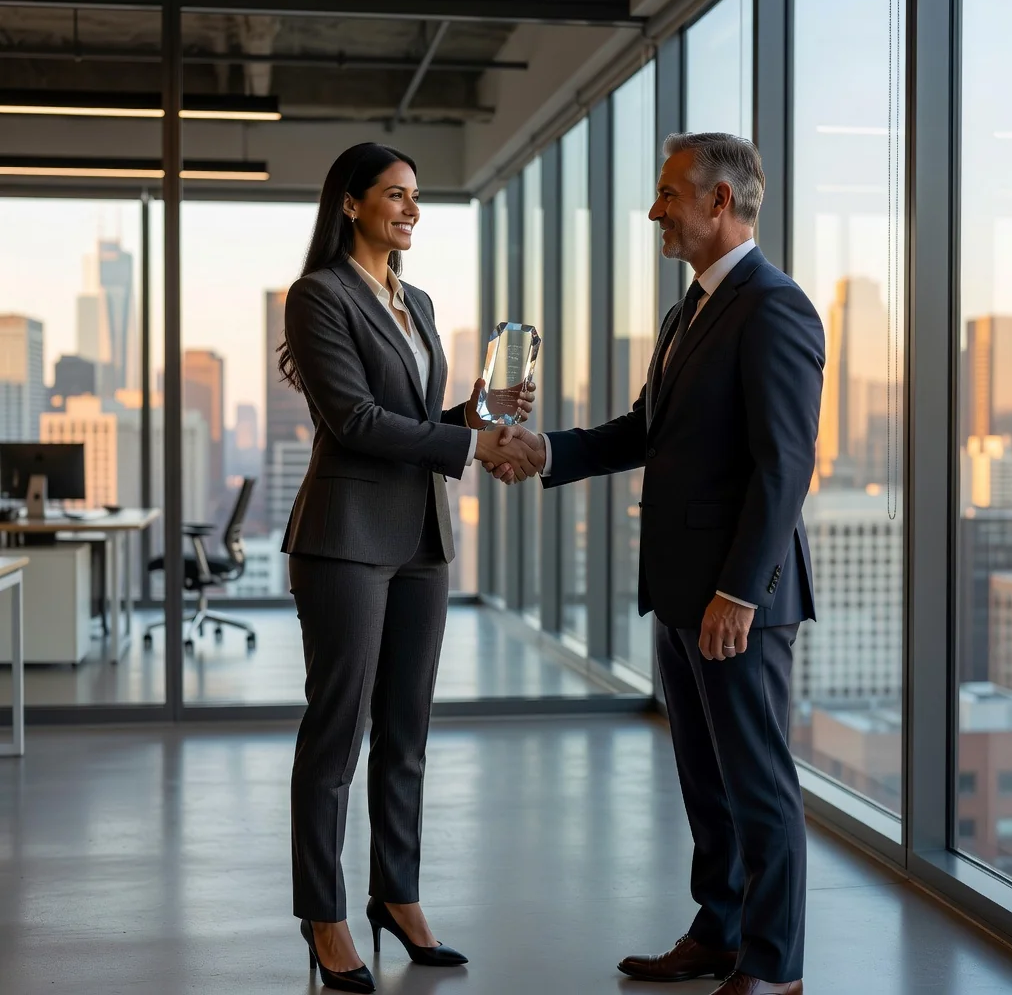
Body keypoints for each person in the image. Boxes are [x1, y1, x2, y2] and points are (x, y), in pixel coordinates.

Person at [493, 132, 824, 994]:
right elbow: (647, 431)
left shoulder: (775, 306)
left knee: (759, 786)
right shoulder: (691, 311)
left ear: (720, 201)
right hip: (681, 591)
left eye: (670, 194)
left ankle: (776, 965)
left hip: (734, 599)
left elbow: (785, 466)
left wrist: (738, 594)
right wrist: (547, 450)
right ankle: (718, 932)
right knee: (707, 785)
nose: (654, 211)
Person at [280, 142, 539, 992]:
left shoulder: (415, 299)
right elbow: (354, 419)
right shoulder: (318, 296)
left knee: (408, 732)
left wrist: (476, 411)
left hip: (422, 538)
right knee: (337, 735)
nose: (411, 210)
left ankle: (397, 895)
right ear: (350, 203)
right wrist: (470, 441)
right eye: (394, 195)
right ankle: (324, 914)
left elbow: (413, 416)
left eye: (417, 198)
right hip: (348, 536)